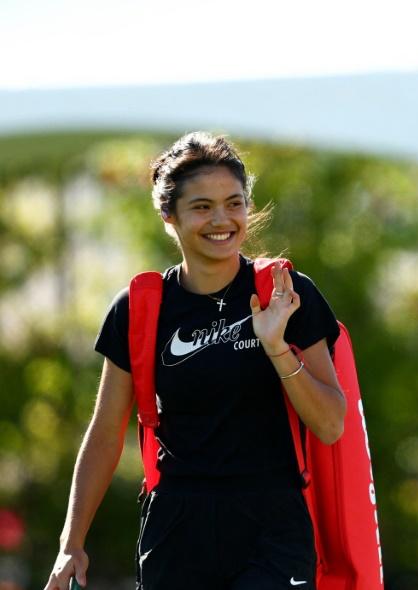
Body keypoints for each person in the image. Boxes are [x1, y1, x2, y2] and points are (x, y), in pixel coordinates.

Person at [44, 132, 346, 590]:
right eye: (202, 206)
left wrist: (277, 347)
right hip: (177, 529)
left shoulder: (287, 293)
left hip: (273, 526)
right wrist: (72, 542)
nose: (221, 219)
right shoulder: (138, 308)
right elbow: (106, 433)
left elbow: (330, 424)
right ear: (170, 216)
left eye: (234, 203)